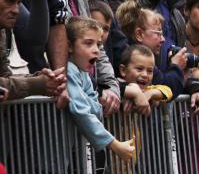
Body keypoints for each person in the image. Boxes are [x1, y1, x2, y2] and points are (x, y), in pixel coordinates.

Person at [65, 16, 135, 161]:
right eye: (88, 43)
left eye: (98, 44)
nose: (96, 50)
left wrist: (85, 102)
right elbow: (80, 110)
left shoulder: (83, 72)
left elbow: (96, 109)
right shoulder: (69, 70)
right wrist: (115, 145)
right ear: (70, 46)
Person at [117, 43, 173, 116]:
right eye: (139, 69)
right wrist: (134, 94)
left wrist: (150, 94)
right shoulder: (115, 86)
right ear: (123, 70)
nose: (145, 75)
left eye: (149, 71)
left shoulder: (146, 89)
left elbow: (168, 91)